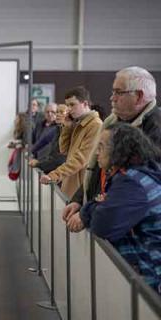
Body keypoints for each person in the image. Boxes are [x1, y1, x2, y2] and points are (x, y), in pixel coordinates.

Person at [66, 123, 161, 292]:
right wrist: (97, 206)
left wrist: (86, 212)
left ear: (119, 150)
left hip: (150, 278)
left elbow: (102, 225)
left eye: (101, 147)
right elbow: (104, 205)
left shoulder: (132, 182)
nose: (96, 153)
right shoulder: (136, 174)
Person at [63, 66, 161, 222]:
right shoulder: (113, 122)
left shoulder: (156, 129)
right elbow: (95, 168)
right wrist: (78, 200)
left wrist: (86, 213)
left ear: (139, 96)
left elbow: (133, 187)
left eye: (118, 92)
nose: (112, 98)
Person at [39, 87, 102, 198]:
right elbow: (64, 150)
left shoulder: (95, 125)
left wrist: (55, 175)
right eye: (67, 105)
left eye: (72, 105)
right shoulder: (78, 123)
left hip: (81, 185)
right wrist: (67, 127)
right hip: (71, 180)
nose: (69, 109)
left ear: (85, 103)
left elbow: (81, 158)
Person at [29, 104, 68, 173]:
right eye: (57, 112)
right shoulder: (57, 128)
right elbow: (42, 141)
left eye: (61, 112)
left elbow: (59, 159)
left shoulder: (66, 131)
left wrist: (38, 164)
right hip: (46, 165)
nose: (57, 115)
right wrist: (31, 152)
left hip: (57, 169)